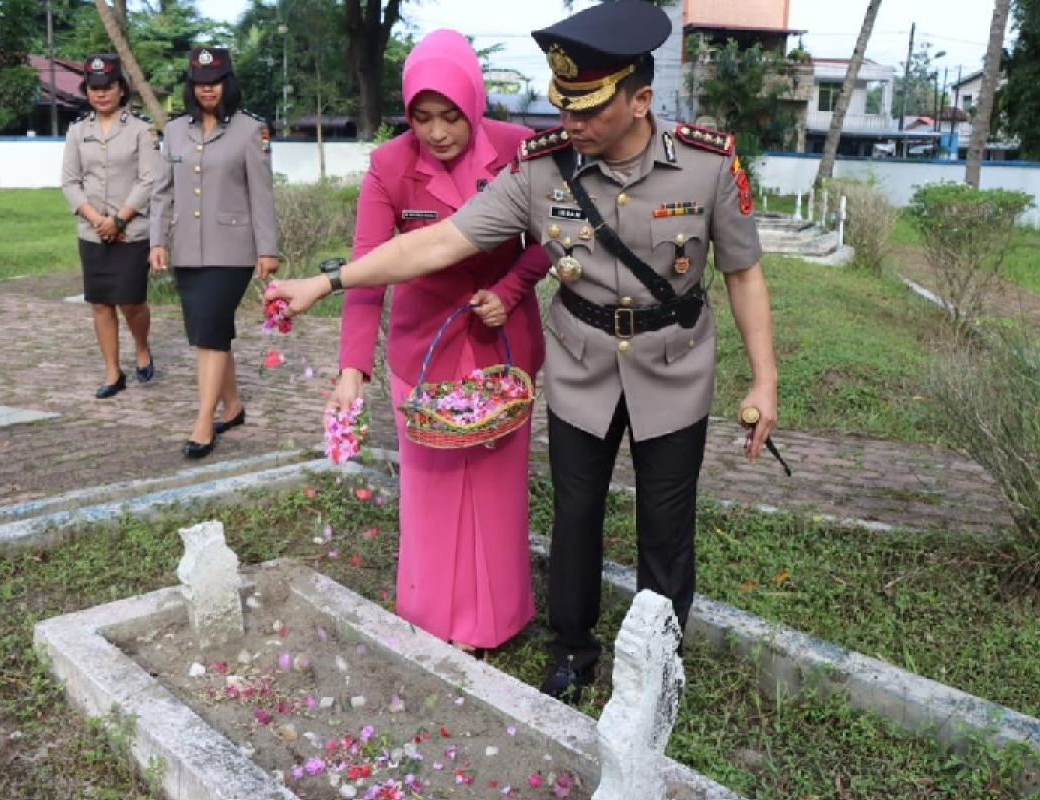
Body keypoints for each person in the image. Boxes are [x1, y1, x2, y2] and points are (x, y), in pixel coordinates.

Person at [266, 0, 778, 702]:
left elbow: (744, 274)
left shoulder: (706, 165)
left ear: (640, 101)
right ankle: (572, 650)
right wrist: (325, 282)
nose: (570, 124)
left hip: (674, 366)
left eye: (589, 109)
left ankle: (659, 665)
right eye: (563, 105)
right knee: (575, 515)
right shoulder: (543, 169)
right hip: (581, 366)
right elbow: (438, 242)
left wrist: (765, 379)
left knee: (665, 525)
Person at [334, 30, 549, 654]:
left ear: (475, 102)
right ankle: (431, 622)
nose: (437, 132)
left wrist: (509, 290)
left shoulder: (519, 150)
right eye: (422, 118)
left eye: (450, 116)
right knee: (429, 491)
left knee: (495, 488)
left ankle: (496, 620)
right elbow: (367, 269)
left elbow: (553, 238)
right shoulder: (390, 165)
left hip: (502, 347)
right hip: (422, 349)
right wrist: (354, 366)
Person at [149, 47, 278, 459]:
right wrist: (156, 241)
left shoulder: (250, 130)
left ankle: (204, 421)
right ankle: (233, 405)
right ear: (191, 86)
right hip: (187, 247)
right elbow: (162, 192)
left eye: (216, 81)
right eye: (201, 82)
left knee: (208, 331)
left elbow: (261, 194)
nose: (208, 89)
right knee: (212, 332)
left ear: (228, 83)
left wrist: (268, 249)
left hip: (233, 250)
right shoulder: (174, 132)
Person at [61, 53, 158, 399]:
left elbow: (149, 180)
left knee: (131, 301)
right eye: (94, 88)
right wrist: (96, 219)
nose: (101, 94)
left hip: (131, 232)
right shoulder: (77, 131)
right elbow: (70, 182)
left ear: (121, 90)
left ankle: (142, 348)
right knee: (101, 303)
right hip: (92, 232)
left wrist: (119, 219)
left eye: (108, 87)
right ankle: (113, 372)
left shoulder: (141, 130)